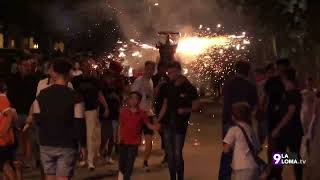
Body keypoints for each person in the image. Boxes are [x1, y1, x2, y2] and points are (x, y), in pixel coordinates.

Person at [30, 60, 86, 180]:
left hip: (46, 142)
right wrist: (83, 145)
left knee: (49, 177)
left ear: (53, 73)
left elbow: (37, 119)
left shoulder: (41, 95)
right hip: (67, 143)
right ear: (69, 74)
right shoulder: (76, 96)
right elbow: (79, 123)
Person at [157, 61, 200, 180]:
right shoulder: (166, 86)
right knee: (170, 155)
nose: (171, 74)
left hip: (180, 125)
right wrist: (158, 120)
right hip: (167, 124)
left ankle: (180, 177)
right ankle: (172, 178)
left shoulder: (188, 87)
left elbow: (197, 105)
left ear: (179, 71)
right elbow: (165, 104)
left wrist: (185, 110)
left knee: (177, 153)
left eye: (173, 72)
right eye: (169, 72)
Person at [219, 60, 258, 180]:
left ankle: (226, 176)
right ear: (247, 71)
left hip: (228, 121)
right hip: (245, 123)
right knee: (244, 148)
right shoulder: (251, 86)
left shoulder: (228, 84)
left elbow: (223, 99)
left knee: (227, 152)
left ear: (236, 70)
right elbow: (255, 106)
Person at [72, 58, 109, 170]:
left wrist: (106, 106)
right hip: (78, 109)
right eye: (85, 65)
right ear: (82, 67)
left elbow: (99, 94)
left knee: (91, 135)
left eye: (89, 65)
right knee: (80, 134)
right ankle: (82, 157)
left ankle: (90, 161)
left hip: (91, 109)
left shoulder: (95, 80)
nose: (87, 67)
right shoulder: (76, 80)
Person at [267, 68, 303, 180]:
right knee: (284, 154)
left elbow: (290, 112)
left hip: (290, 130)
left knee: (286, 155)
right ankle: (277, 175)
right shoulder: (289, 93)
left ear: (286, 78)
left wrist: (278, 128)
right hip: (291, 130)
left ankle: (277, 175)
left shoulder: (292, 94)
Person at [118, 91, 160, 180]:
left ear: (139, 101)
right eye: (131, 98)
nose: (133, 100)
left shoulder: (142, 113)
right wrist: (118, 137)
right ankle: (121, 174)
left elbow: (148, 124)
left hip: (134, 142)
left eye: (136, 99)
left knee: (130, 163)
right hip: (124, 141)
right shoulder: (123, 112)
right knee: (122, 163)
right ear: (128, 100)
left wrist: (155, 127)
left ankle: (126, 177)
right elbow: (120, 125)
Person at [6, 56, 39, 168]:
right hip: (17, 112)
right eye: (25, 65)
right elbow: (9, 95)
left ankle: (29, 160)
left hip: (29, 112)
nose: (28, 68)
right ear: (19, 66)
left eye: (29, 66)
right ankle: (19, 160)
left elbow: (35, 96)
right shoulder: (12, 79)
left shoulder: (34, 79)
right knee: (18, 137)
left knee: (30, 137)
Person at [223, 102, 260, 180]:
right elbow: (257, 148)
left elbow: (226, 149)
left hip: (240, 167)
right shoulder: (251, 129)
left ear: (233, 117)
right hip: (254, 166)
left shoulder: (233, 130)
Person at [131, 61, 156, 171]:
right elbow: (132, 97)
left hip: (148, 114)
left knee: (149, 141)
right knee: (135, 141)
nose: (150, 71)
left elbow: (151, 98)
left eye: (152, 69)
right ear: (145, 69)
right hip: (139, 114)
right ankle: (130, 162)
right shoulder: (138, 82)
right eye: (149, 68)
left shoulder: (151, 81)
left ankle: (145, 162)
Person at [100, 72, 121, 164]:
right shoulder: (103, 87)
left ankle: (108, 155)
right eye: (108, 77)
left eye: (111, 77)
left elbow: (121, 98)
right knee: (105, 136)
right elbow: (100, 97)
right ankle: (102, 152)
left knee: (112, 136)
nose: (110, 79)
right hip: (106, 114)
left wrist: (117, 98)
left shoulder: (117, 87)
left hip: (115, 114)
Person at [152, 62, 169, 166]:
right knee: (160, 129)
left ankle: (167, 153)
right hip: (158, 107)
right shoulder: (154, 79)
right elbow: (153, 93)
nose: (163, 70)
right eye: (162, 68)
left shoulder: (168, 78)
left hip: (167, 108)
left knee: (166, 130)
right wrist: (159, 85)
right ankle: (165, 144)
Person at [0, 81, 18, 180]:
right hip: (5, 140)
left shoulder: (1, 98)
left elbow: (10, 115)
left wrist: (2, 133)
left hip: (2, 141)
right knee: (5, 167)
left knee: (5, 167)